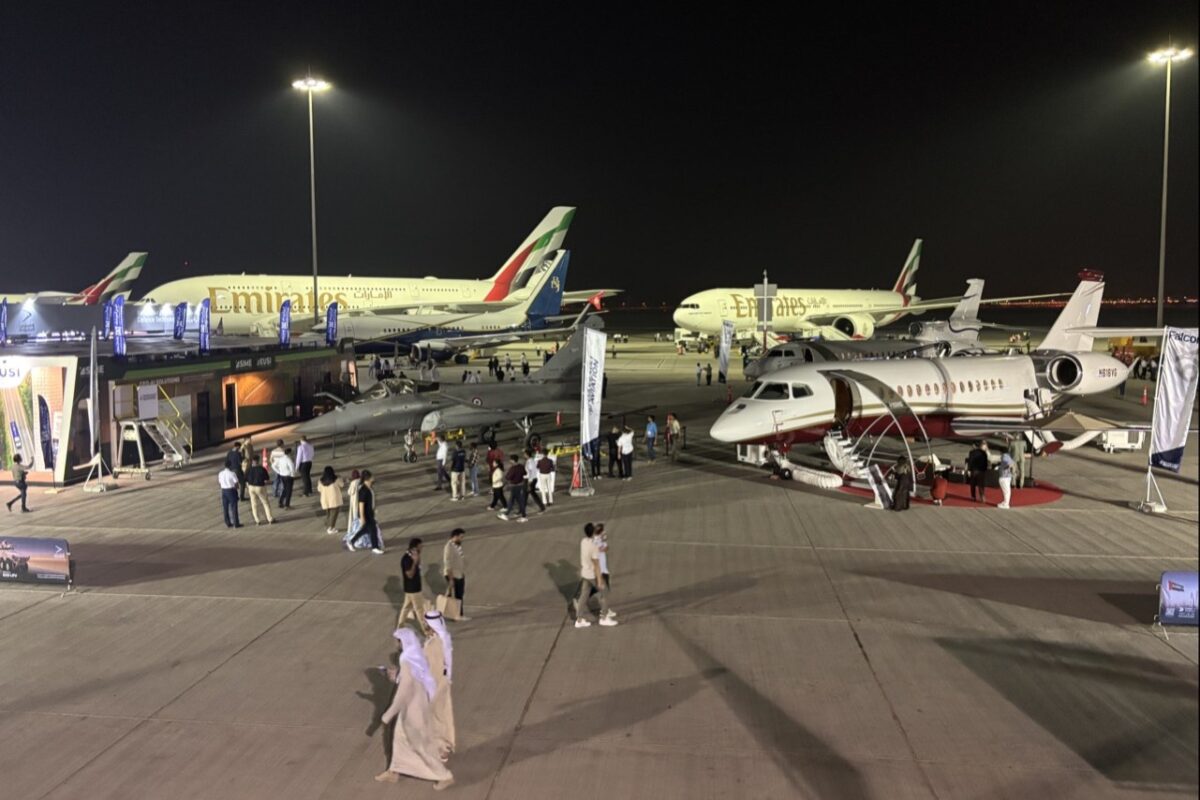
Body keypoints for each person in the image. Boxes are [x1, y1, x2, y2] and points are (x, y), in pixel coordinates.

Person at [375, 627, 455, 791]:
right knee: (399, 740)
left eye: (398, 641)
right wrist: (397, 676)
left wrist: (387, 715)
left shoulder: (406, 659)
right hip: (414, 706)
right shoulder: (415, 655)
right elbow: (414, 680)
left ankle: (445, 776)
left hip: (413, 710)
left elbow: (404, 690)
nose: (396, 644)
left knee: (421, 745)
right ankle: (394, 771)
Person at [423, 611, 457, 760]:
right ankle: (444, 745)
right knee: (442, 713)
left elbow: (437, 664)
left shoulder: (438, 641)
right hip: (441, 680)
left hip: (436, 680)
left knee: (436, 715)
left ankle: (442, 749)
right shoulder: (441, 638)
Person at [574, 523, 616, 628]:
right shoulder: (594, 547)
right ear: (593, 532)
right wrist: (600, 580)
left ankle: (579, 620)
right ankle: (604, 618)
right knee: (605, 593)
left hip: (585, 573)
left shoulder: (583, 541)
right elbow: (596, 565)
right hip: (592, 575)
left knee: (584, 596)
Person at [350, 470, 385, 554]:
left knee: (365, 530)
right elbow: (361, 505)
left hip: (370, 513)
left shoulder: (369, 488)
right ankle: (375, 547)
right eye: (371, 476)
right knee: (372, 529)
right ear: (367, 479)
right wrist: (362, 517)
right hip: (366, 514)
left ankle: (351, 541)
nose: (373, 478)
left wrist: (373, 509)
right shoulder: (363, 490)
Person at [397, 538, 427, 627]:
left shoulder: (414, 556)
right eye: (420, 547)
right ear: (415, 547)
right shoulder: (407, 559)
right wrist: (414, 562)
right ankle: (427, 631)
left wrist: (417, 559)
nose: (422, 549)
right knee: (420, 610)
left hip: (410, 589)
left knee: (406, 609)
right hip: (414, 589)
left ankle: (400, 628)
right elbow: (409, 575)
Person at [442, 529, 469, 621]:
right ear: (455, 536)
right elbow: (448, 564)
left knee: (459, 595)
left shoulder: (456, 545)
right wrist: (451, 579)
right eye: (461, 537)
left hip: (459, 574)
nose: (462, 539)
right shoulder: (449, 548)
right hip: (454, 575)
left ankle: (455, 614)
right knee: (457, 596)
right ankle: (457, 615)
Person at [244, 454, 274, 525]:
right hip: (260, 487)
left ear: (252, 461)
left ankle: (257, 520)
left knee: (254, 504)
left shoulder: (248, 469)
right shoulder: (262, 469)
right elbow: (266, 479)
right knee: (265, 503)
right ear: (258, 460)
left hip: (251, 487)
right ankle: (270, 519)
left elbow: (245, 479)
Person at [498, 455, 528, 522]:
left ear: (513, 460)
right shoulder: (521, 466)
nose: (509, 461)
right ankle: (523, 516)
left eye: (510, 460)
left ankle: (507, 514)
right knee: (518, 501)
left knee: (513, 500)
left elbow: (508, 477)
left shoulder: (513, 468)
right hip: (520, 485)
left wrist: (504, 485)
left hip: (514, 486)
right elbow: (525, 473)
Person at [319, 466, 344, 534]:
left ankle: (329, 526)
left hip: (325, 500)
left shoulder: (321, 481)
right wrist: (340, 478)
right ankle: (331, 528)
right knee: (334, 514)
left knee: (329, 514)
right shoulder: (336, 479)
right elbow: (342, 485)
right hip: (334, 500)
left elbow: (319, 489)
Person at [218, 463, 242, 528]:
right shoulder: (232, 474)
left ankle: (227, 522)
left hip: (224, 491)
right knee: (234, 507)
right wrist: (237, 488)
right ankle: (236, 523)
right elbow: (236, 483)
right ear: (230, 466)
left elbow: (220, 482)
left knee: (225, 508)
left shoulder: (220, 473)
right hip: (231, 490)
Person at [523, 448, 547, 514]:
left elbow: (531, 472)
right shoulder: (531, 461)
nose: (523, 455)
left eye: (524, 454)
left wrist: (529, 482)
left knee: (532, 494)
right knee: (526, 495)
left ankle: (542, 508)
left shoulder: (530, 462)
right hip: (532, 479)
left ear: (527, 455)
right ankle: (522, 509)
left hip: (530, 480)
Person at [344, 469, 362, 534]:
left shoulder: (353, 483)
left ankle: (355, 528)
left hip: (354, 501)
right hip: (361, 500)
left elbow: (350, 492)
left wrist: (349, 484)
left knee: (354, 514)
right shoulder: (361, 482)